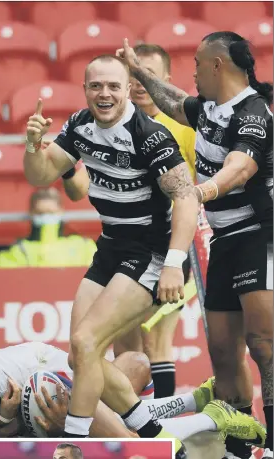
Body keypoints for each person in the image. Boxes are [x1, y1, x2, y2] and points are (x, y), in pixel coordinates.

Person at [23, 54, 266, 458]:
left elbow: (187, 200)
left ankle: (75, 447)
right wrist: (33, 146)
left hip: (152, 251)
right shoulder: (79, 125)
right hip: (111, 246)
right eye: (96, 86)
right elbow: (42, 175)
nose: (105, 94)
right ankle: (169, 431)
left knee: (89, 341)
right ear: (85, 89)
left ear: (126, 91)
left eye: (113, 86)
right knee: (80, 353)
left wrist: (172, 263)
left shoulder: (149, 135)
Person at [117, 31, 273, 459]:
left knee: (263, 343)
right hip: (221, 241)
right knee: (223, 351)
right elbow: (170, 100)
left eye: (198, 64)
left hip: (259, 235)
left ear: (218, 65)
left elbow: (240, 168)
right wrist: (137, 71)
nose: (193, 71)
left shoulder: (254, 112)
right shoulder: (206, 108)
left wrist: (200, 193)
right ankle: (243, 443)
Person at [114, 43, 197, 399]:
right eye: (133, 73)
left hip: (174, 247)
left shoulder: (185, 129)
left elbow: (205, 186)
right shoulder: (114, 126)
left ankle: (162, 435)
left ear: (165, 80)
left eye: (146, 73)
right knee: (128, 344)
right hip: (127, 245)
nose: (139, 81)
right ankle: (139, 429)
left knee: (156, 339)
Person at [0, 342, 153, 443]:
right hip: (23, 412)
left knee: (126, 441)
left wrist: (69, 425)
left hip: (43, 370)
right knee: (136, 364)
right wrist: (1, 419)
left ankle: (149, 441)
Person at [0, 188, 96, 268]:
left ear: (61, 212)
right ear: (31, 213)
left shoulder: (83, 246)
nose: (46, 216)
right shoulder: (19, 250)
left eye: (51, 212)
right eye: (40, 213)